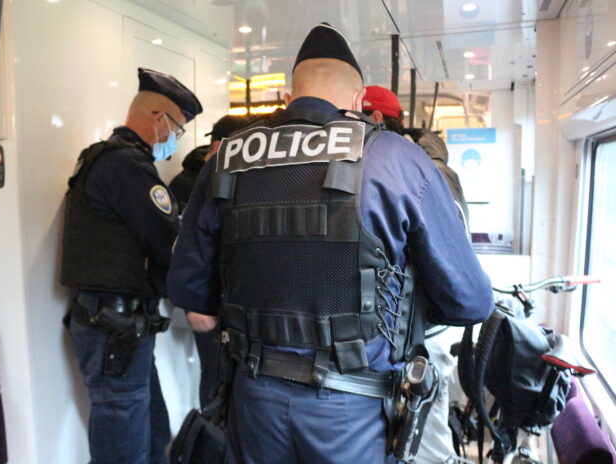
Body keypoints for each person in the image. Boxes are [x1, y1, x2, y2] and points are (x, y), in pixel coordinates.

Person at [167, 23, 493, 464]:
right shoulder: (394, 158)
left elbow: (190, 293)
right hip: (351, 409)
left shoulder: (227, 158)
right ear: (358, 101)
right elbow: (470, 302)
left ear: (287, 97)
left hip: (253, 400)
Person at [60, 67, 202, 464]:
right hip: (115, 326)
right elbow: (168, 242)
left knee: (151, 429)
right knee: (125, 441)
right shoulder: (127, 166)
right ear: (158, 118)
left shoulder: (106, 158)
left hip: (115, 323)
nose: (176, 139)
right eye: (177, 129)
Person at [363, 85, 472, 464]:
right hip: (401, 337)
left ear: (376, 118)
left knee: (424, 446)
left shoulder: (424, 173)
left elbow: (454, 263)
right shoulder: (397, 167)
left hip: (424, 338)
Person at [168, 114, 250, 409]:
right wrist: (195, 304)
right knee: (215, 377)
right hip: (207, 301)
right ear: (219, 146)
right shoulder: (186, 184)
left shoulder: (234, 177)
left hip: (233, 300)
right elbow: (185, 247)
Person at [362, 85, 470, 226]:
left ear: (376, 118)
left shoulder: (432, 170)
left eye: (357, 119)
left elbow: (455, 233)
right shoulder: (376, 166)